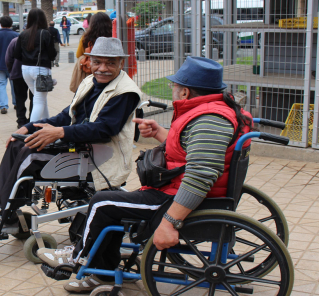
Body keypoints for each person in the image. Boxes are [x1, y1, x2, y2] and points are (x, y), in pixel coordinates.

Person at [36, 56, 253, 294]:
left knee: (103, 201)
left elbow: (201, 176)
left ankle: (78, 258)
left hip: (180, 200)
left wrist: (170, 222)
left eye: (175, 85)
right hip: (178, 191)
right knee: (115, 202)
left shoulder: (209, 120)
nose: (172, 88)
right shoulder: (211, 112)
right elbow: (192, 152)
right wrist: (161, 134)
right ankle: (101, 270)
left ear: (185, 93)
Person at [0, 37, 141, 235]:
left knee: (29, 154)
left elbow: (104, 130)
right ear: (89, 62)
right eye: (97, 62)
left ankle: (2, 212)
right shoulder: (90, 81)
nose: (102, 68)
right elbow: (67, 115)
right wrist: (28, 127)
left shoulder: (125, 91)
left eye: (110, 63)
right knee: (16, 144)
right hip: (81, 147)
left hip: (101, 157)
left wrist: (60, 132)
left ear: (121, 63)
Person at [14, 8, 56, 122]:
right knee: (39, 101)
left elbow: (16, 54)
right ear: (43, 19)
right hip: (41, 70)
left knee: (41, 100)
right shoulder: (45, 33)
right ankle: (31, 131)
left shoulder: (23, 34)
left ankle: (47, 123)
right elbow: (52, 54)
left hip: (26, 70)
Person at [5, 37, 34, 129]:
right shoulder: (37, 39)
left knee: (20, 98)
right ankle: (32, 120)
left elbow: (8, 59)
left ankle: (21, 120)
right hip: (34, 74)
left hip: (18, 73)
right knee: (34, 98)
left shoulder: (15, 41)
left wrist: (11, 70)